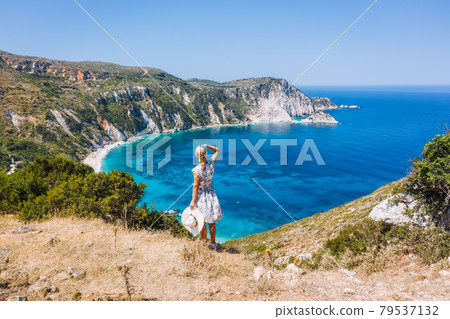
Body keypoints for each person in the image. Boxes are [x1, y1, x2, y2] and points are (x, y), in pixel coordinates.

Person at [190, 144, 223, 249]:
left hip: (201, 196)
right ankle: (213, 243)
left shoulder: (196, 170)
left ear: (196, 155)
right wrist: (207, 146)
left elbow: (196, 186)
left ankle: (204, 244)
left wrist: (193, 201)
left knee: (201, 220)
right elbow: (217, 150)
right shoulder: (211, 164)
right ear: (205, 154)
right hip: (211, 193)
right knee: (211, 220)